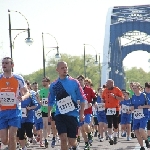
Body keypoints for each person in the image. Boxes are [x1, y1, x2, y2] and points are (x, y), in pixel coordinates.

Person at [48, 61, 86, 150]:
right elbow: (51, 100)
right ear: (57, 70)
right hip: (60, 115)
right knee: (63, 139)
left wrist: (81, 114)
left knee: (72, 141)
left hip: (72, 115)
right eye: (62, 68)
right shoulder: (54, 85)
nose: (65, 69)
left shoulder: (74, 82)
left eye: (66, 67)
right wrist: (49, 113)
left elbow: (82, 98)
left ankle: (76, 146)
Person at [0, 57, 30, 150]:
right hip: (2, 111)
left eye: (6, 63)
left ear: (12, 65)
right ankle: (11, 145)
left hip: (15, 111)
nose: (4, 65)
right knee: (4, 140)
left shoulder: (18, 78)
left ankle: (12, 145)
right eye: (3, 63)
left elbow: (27, 92)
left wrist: (23, 97)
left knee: (12, 135)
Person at [77, 75, 96, 150]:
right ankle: (86, 144)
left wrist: (91, 103)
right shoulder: (76, 90)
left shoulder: (89, 89)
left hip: (87, 111)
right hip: (79, 112)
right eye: (78, 80)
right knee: (81, 129)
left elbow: (94, 98)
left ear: (84, 80)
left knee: (85, 126)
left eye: (81, 79)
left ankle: (89, 133)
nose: (80, 81)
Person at [102, 79, 124, 145]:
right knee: (109, 122)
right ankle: (110, 137)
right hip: (107, 109)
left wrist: (114, 96)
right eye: (106, 84)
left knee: (115, 123)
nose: (107, 85)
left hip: (115, 109)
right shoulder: (105, 90)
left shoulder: (117, 89)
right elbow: (103, 98)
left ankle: (115, 136)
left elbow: (122, 98)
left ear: (112, 84)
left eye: (108, 84)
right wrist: (103, 100)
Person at [130, 82, 150, 150]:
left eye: (135, 88)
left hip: (144, 115)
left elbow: (149, 105)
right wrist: (131, 108)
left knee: (141, 130)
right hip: (136, 116)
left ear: (139, 88)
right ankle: (142, 147)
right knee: (136, 132)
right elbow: (131, 106)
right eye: (133, 88)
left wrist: (143, 106)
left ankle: (146, 140)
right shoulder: (133, 96)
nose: (134, 89)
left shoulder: (144, 95)